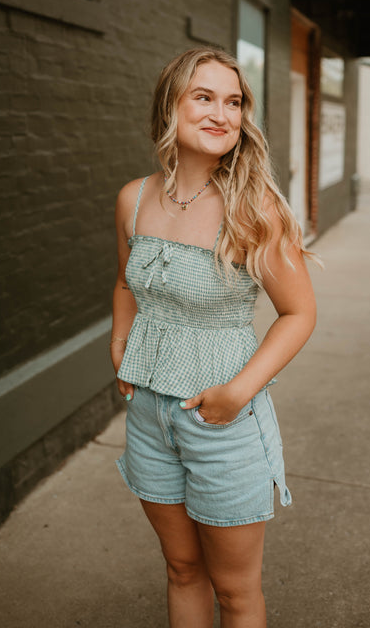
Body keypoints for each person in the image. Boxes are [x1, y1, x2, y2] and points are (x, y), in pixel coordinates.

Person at [110, 46, 318, 628]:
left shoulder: (255, 209)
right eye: (203, 97)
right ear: (169, 106)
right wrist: (120, 340)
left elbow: (299, 313)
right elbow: (126, 279)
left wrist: (236, 393)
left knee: (235, 591)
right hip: (149, 415)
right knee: (180, 569)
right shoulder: (134, 198)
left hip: (222, 422)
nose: (221, 114)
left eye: (234, 102)